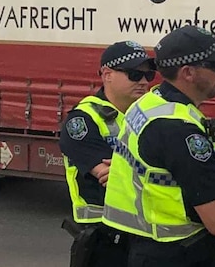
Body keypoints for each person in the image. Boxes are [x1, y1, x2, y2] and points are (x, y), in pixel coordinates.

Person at [101, 25, 215, 267]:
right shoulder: (179, 130)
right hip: (176, 255)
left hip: (146, 248)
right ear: (188, 73)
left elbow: (167, 160)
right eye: (214, 65)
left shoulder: (152, 101)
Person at [59, 40, 155, 267]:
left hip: (142, 234)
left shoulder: (147, 114)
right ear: (107, 74)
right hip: (104, 237)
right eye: (134, 74)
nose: (143, 82)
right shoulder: (83, 120)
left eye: (148, 76)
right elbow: (110, 178)